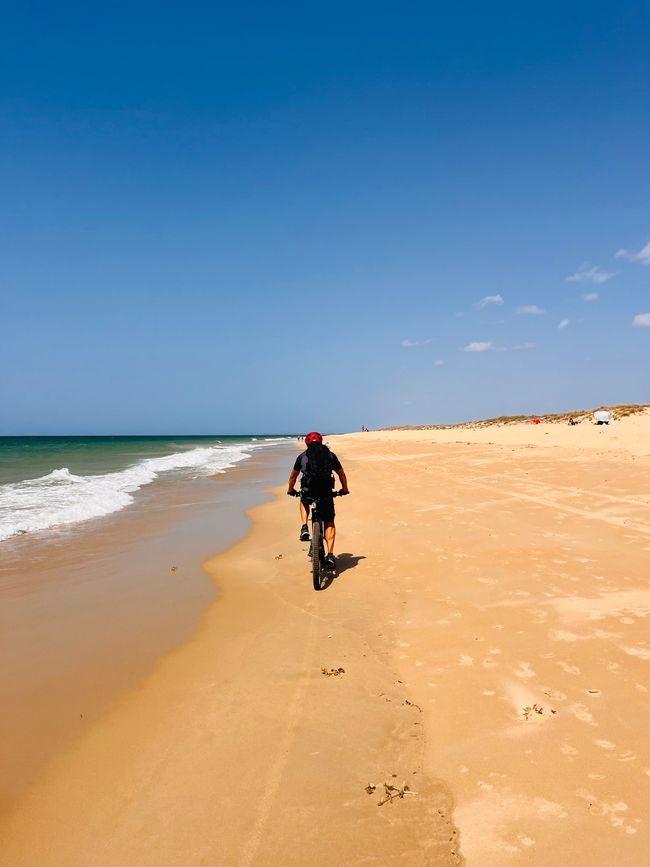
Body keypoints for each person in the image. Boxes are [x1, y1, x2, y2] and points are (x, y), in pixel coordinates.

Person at [287, 432, 349, 570]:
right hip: (326, 493)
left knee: (303, 501)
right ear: (321, 442)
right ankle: (331, 555)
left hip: (308, 491)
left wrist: (290, 490)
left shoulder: (302, 457)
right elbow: (341, 474)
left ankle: (304, 526)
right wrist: (344, 489)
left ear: (307, 443)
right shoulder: (331, 456)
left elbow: (293, 476)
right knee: (329, 521)